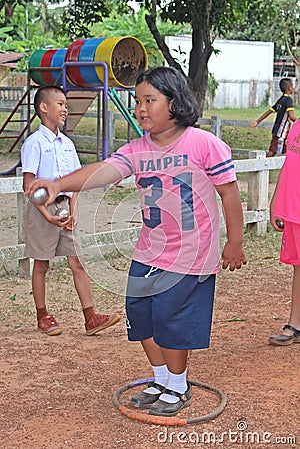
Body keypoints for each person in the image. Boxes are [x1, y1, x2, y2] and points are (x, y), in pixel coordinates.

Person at [26, 67, 247, 417]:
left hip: (191, 253)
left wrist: (235, 241)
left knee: (170, 317)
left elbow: (229, 194)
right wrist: (60, 184)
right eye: (137, 101)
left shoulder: (205, 144)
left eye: (150, 100)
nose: (141, 108)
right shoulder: (137, 149)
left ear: (173, 103)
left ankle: (178, 385)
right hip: (150, 250)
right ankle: (161, 380)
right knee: (140, 314)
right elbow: (103, 171)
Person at [21, 85, 120, 336]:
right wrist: (48, 216)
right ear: (44, 108)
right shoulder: (34, 144)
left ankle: (91, 317)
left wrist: (73, 211)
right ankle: (43, 315)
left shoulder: (67, 144)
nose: (66, 109)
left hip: (65, 207)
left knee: (77, 261)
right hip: (42, 207)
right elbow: (29, 186)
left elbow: (76, 181)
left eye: (66, 105)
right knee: (41, 263)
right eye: (60, 104)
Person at [268, 118, 300, 346]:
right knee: (298, 267)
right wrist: (276, 203)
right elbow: (289, 164)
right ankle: (295, 324)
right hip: (293, 210)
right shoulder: (297, 125)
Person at [249, 78, 297, 157]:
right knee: (273, 151)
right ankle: (262, 166)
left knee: (287, 149)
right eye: (292, 86)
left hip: (277, 130)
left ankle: (286, 167)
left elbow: (269, 111)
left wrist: (257, 121)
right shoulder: (288, 100)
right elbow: (291, 116)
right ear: (289, 88)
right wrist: (298, 120)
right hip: (281, 132)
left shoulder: (280, 100)